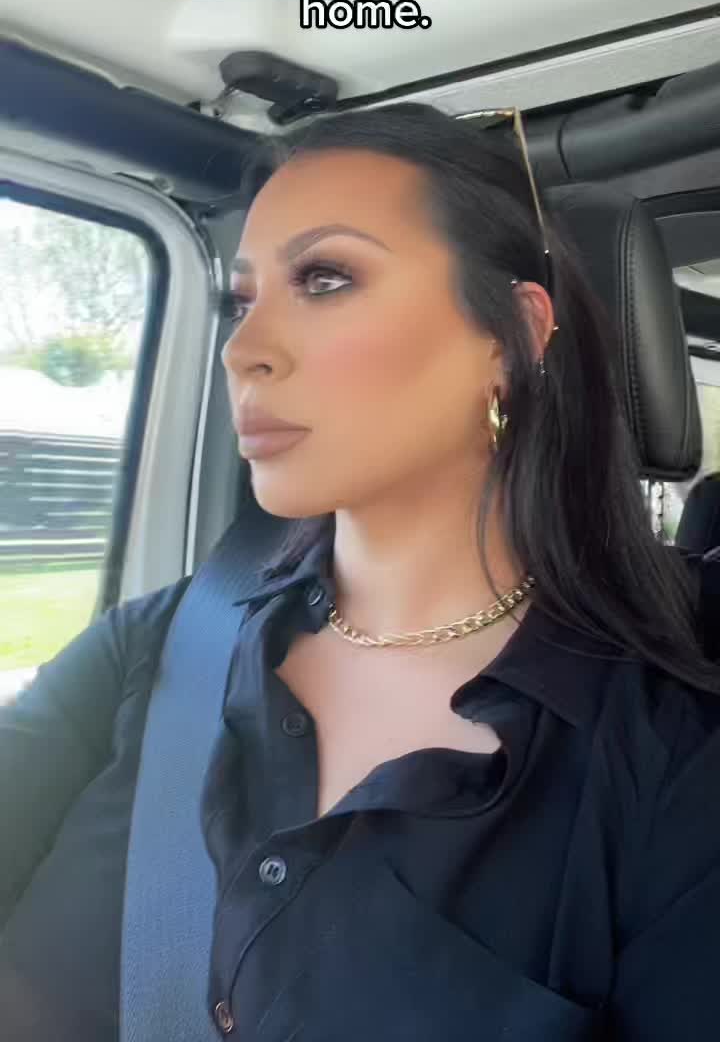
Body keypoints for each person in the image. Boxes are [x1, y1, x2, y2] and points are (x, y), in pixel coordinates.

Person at [1, 102, 719, 1041]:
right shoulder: (154, 647)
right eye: (241, 302)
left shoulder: (671, 748)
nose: (242, 350)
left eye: (326, 278)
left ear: (511, 334)